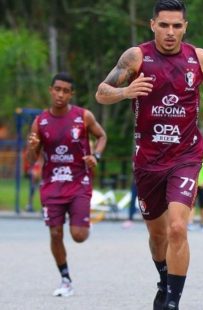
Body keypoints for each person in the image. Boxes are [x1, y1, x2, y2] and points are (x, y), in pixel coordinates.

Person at [95, 1, 203, 309]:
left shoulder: (197, 57)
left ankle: (173, 302)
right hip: (149, 159)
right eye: (164, 25)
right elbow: (101, 92)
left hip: (187, 154)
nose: (170, 32)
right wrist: (126, 92)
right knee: (157, 234)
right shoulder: (136, 57)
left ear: (185, 27)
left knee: (178, 227)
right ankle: (164, 278)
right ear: (153, 25)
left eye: (177, 26)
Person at [27, 72, 107, 297]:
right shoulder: (40, 122)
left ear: (71, 94)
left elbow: (101, 136)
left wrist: (96, 157)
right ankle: (65, 279)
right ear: (51, 90)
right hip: (52, 184)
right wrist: (33, 147)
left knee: (79, 236)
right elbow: (32, 159)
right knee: (54, 233)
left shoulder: (83, 116)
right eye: (57, 89)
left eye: (65, 91)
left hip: (78, 182)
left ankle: (82, 219)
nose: (60, 94)